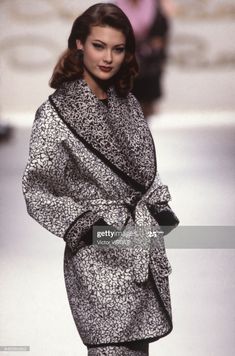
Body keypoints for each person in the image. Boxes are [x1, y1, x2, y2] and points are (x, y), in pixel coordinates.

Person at [22, 3, 179, 356]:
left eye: (118, 48)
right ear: (79, 44)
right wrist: (90, 226)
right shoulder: (56, 113)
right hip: (96, 255)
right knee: (111, 348)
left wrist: (158, 209)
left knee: (135, 348)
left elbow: (142, 173)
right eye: (99, 46)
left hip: (138, 246)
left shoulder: (127, 103)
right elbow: (37, 189)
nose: (108, 57)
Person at [115, 0, 173, 118]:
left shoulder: (156, 4)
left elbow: (163, 32)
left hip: (149, 64)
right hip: (124, 64)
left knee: (145, 105)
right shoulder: (115, 5)